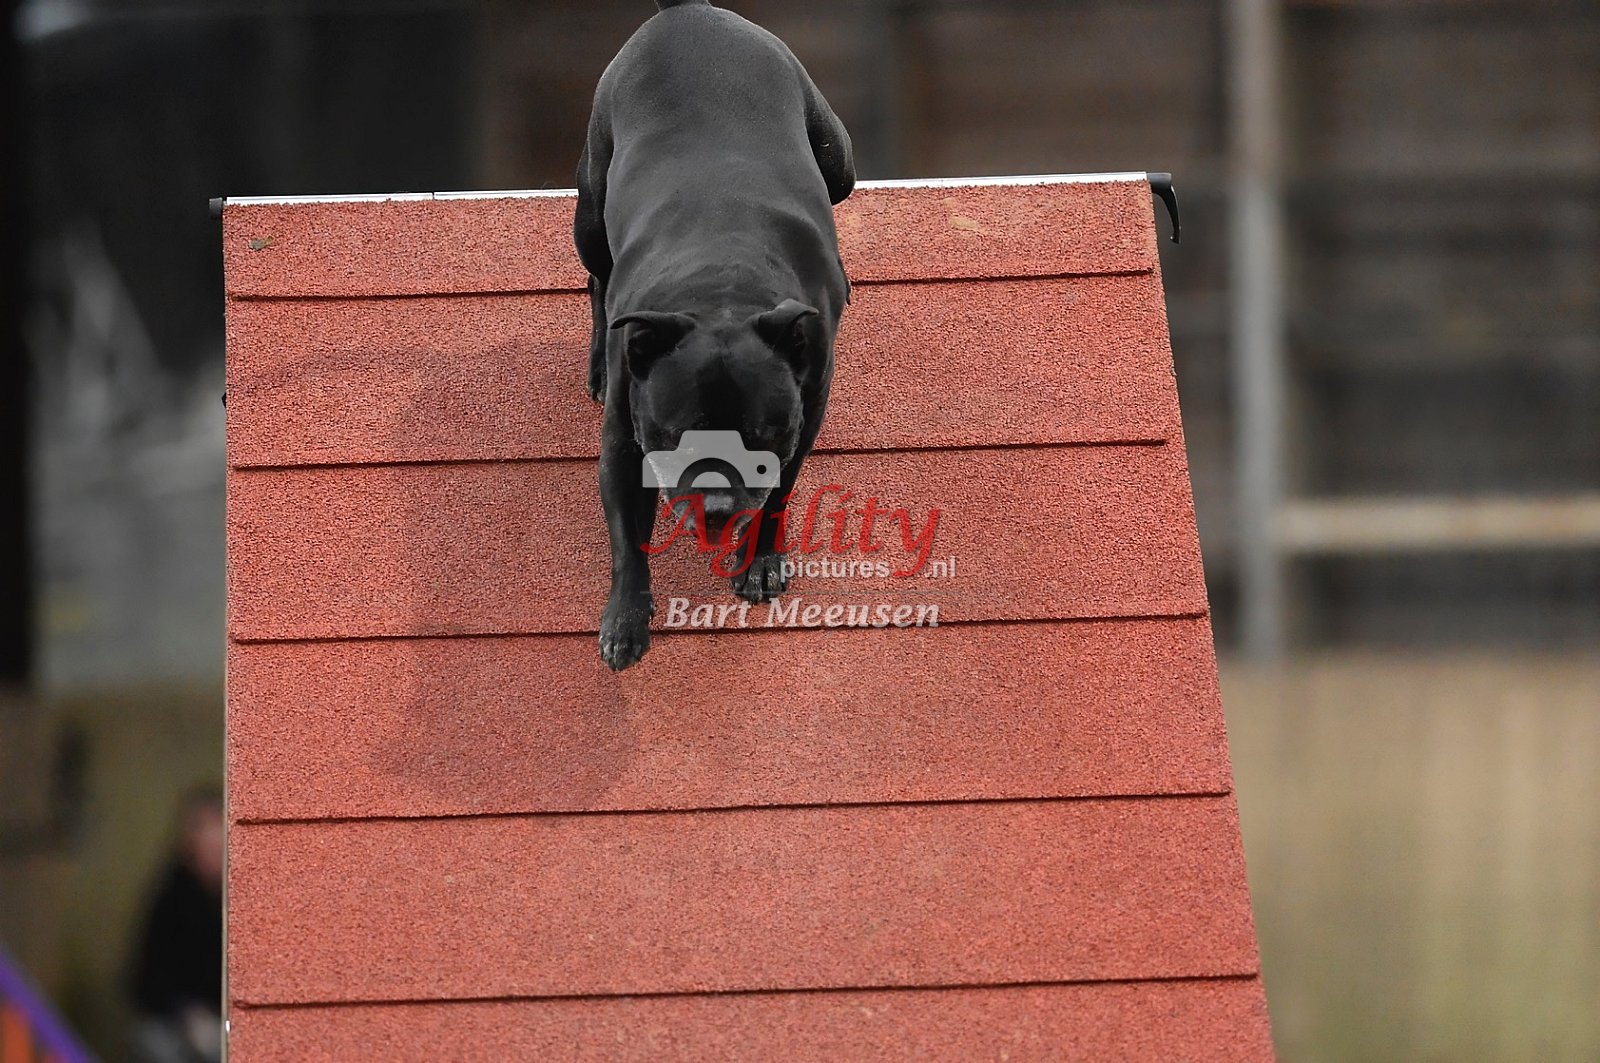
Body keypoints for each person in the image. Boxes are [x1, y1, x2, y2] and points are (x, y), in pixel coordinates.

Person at [126, 785, 224, 1063]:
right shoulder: (173, 897)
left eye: (217, 826)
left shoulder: (235, 896)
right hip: (173, 1027)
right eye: (201, 829)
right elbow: (145, 978)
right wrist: (187, 1013)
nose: (211, 838)